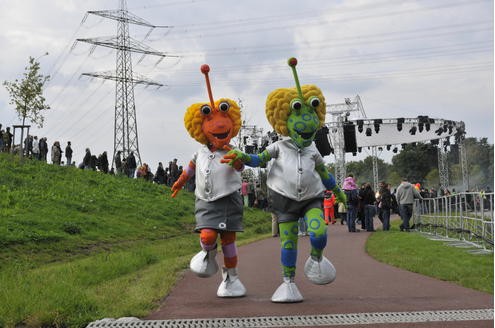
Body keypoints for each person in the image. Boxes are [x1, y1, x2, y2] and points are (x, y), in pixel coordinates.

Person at [223, 58, 345, 302]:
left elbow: (324, 175)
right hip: (285, 201)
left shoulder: (313, 151)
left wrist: (338, 191)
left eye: (312, 112)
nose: (307, 124)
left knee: (319, 233)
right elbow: (259, 159)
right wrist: (243, 156)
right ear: (284, 120)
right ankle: (288, 282)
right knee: (288, 244)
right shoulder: (278, 146)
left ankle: (317, 257)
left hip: (311, 199)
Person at [171, 64, 247, 298]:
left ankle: (231, 277)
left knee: (229, 242)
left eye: (224, 117)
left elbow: (240, 166)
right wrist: (181, 180)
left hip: (229, 200)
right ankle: (207, 251)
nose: (219, 125)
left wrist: (236, 161)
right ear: (200, 128)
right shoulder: (200, 152)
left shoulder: (233, 150)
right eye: (211, 121)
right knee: (207, 236)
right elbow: (190, 169)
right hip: (205, 201)